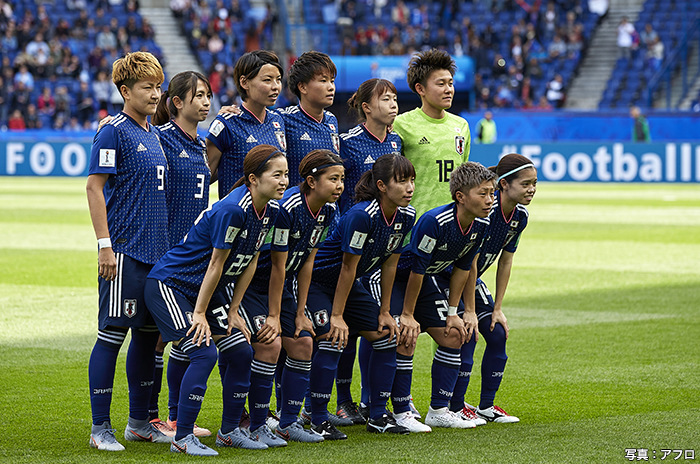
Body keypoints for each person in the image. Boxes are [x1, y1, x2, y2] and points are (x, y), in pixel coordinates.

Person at [145, 144, 287, 455]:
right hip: (172, 285)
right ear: (253, 179)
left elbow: (248, 261)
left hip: (206, 291)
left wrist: (234, 310)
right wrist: (199, 314)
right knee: (205, 352)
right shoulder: (233, 210)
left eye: (286, 174)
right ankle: (182, 438)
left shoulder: (271, 211)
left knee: (240, 352)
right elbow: (215, 263)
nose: (284, 181)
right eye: (276, 175)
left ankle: (229, 431)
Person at [86, 51, 170, 451]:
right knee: (111, 336)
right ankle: (100, 427)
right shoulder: (113, 131)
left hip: (157, 255)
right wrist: (105, 246)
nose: (155, 94)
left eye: (158, 86)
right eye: (146, 87)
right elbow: (94, 187)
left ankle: (139, 422)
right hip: (124, 252)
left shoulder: (153, 132)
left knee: (147, 339)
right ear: (125, 90)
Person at [306, 153, 416, 438]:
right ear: (381, 185)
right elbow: (346, 267)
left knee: (386, 334)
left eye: (412, 181)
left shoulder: (407, 216)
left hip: (349, 284)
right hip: (317, 283)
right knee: (333, 337)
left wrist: (384, 311)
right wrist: (338, 316)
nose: (409, 188)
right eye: (401, 181)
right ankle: (317, 417)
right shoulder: (361, 216)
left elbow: (390, 263)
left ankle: (378, 414)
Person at [240, 149, 344, 444]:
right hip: (252, 285)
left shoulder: (329, 211)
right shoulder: (288, 208)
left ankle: (288, 423)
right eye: (333, 179)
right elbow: (276, 264)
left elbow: (307, 261)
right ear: (311, 181)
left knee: (302, 342)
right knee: (268, 344)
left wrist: (300, 312)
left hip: (282, 286)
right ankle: (256, 424)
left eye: (342, 179)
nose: (339, 186)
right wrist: (274, 316)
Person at [386, 161, 495, 430]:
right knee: (406, 336)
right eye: (483, 194)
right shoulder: (435, 221)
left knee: (454, 334)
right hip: (399, 279)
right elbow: (415, 270)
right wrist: (409, 315)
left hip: (426, 280)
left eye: (492, 193)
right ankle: (401, 412)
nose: (490, 200)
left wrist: (454, 312)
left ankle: (438, 410)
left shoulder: (481, 224)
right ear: (460, 196)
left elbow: (464, 269)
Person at [147, 71, 214, 439]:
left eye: (208, 96)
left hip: (194, 256)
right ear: (176, 102)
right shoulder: (161, 139)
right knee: (161, 338)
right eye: (199, 96)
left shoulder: (201, 144)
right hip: (168, 254)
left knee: (179, 339)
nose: (206, 102)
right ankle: (151, 417)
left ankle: (171, 417)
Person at [333, 78, 402, 424]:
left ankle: (370, 400)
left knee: (370, 325)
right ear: (365, 107)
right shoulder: (347, 143)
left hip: (380, 247)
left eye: (394, 98)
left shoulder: (396, 141)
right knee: (346, 325)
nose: (392, 104)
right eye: (384, 99)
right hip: (349, 243)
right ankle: (343, 399)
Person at [448, 153, 536, 425]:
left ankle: (486, 406)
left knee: (497, 334)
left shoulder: (519, 216)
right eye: (526, 184)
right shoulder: (485, 210)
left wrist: (497, 308)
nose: (531, 189)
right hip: (451, 279)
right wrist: (470, 310)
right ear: (504, 185)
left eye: (535, 183)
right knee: (468, 333)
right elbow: (470, 261)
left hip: (474, 282)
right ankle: (455, 406)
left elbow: (506, 260)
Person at [392, 48, 471, 220]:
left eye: (450, 83)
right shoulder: (401, 124)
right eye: (441, 84)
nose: (448, 89)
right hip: (415, 225)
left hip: (453, 225)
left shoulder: (462, 125)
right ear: (420, 88)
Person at [206, 50, 287, 199]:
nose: (275, 86)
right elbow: (205, 177)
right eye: (267, 80)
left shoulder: (278, 121)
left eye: (278, 79)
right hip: (237, 218)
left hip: (272, 218)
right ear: (244, 83)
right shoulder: (227, 123)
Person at [278, 51, 341, 185]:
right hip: (295, 203)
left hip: (328, 205)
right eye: (323, 80)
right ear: (302, 87)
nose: (331, 87)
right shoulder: (282, 118)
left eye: (332, 81)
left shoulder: (332, 120)